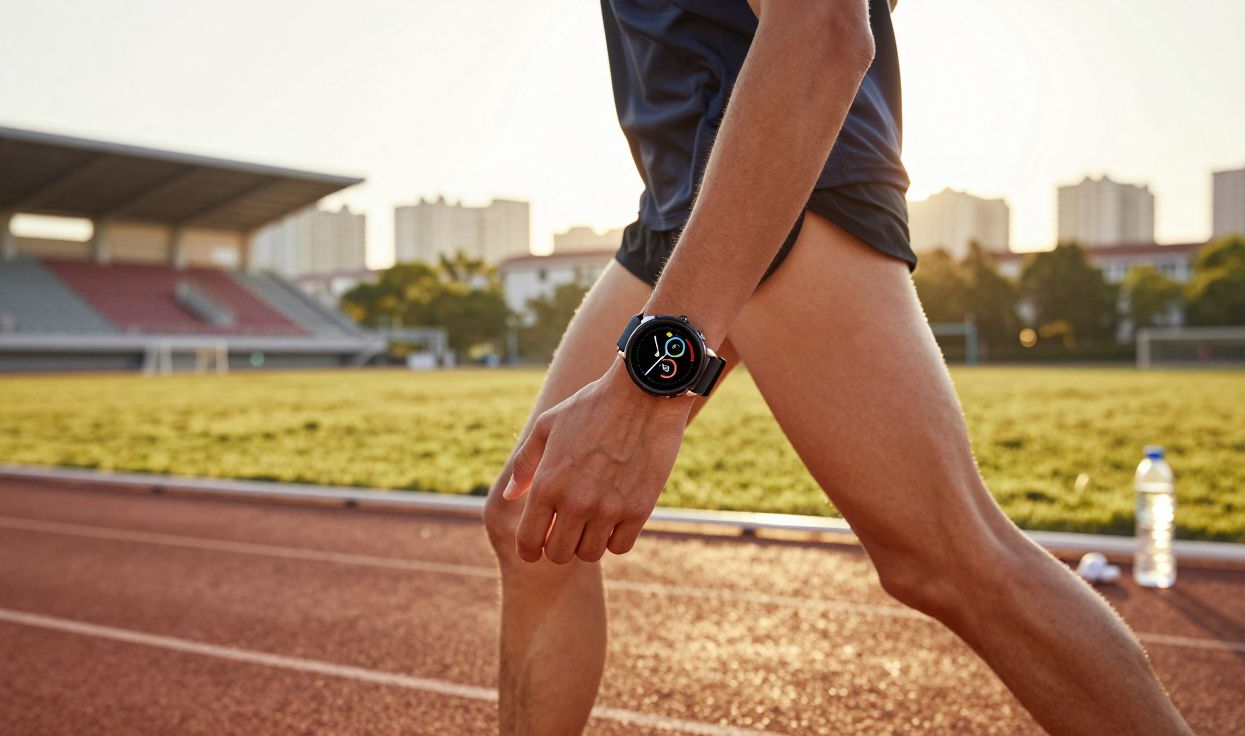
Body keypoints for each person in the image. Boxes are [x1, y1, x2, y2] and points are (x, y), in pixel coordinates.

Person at [482, 1, 1194, 734]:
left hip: (784, 181)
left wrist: (647, 386)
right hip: (678, 197)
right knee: (534, 516)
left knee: (949, 558)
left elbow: (822, 29)